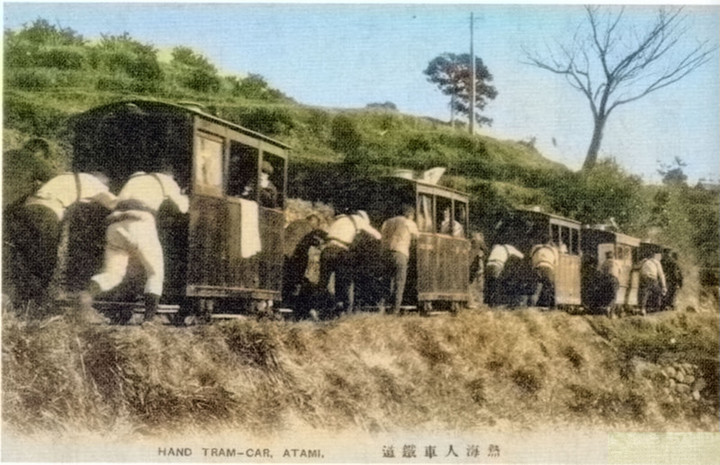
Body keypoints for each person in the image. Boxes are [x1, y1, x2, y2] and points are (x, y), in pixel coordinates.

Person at [81, 171, 189, 325]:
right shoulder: (166, 180)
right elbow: (183, 208)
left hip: (114, 226)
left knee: (113, 274)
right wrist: (183, 196)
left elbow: (114, 203)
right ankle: (149, 320)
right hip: (139, 223)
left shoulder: (133, 181)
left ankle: (87, 293)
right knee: (155, 273)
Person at [9, 172, 116, 304]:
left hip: (25, 210)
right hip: (45, 214)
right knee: (46, 261)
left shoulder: (66, 177)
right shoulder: (96, 184)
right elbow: (116, 204)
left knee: (26, 260)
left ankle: (20, 304)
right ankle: (35, 306)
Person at [318, 210, 381, 317]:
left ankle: (316, 309)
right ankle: (347, 312)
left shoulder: (339, 220)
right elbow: (377, 235)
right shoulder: (359, 220)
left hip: (326, 251)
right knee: (346, 282)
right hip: (340, 251)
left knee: (323, 282)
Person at [283, 214, 327, 317]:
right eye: (316, 225)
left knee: (286, 278)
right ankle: (294, 303)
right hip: (294, 255)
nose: (315, 227)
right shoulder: (308, 228)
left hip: (281, 252)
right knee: (297, 279)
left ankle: (286, 300)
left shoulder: (294, 223)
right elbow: (316, 239)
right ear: (312, 221)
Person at [380, 205, 419, 314]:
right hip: (400, 253)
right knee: (399, 282)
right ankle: (395, 310)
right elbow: (417, 236)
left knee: (386, 281)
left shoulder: (387, 222)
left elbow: (382, 237)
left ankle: (381, 307)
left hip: (386, 253)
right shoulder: (408, 222)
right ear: (409, 214)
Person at [2, 138, 56, 210]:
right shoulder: (36, 160)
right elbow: (56, 181)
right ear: (41, 153)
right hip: (8, 206)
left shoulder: (7, 153)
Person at [529, 241, 559, 308]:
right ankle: (547, 305)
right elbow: (556, 263)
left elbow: (531, 258)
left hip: (537, 268)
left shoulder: (535, 248)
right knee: (550, 286)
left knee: (536, 288)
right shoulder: (553, 250)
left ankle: (532, 306)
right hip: (548, 268)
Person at [598, 250, 622, 317]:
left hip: (606, 280)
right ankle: (610, 311)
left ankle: (607, 310)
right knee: (614, 297)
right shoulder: (616, 262)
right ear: (613, 256)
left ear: (606, 256)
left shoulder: (604, 263)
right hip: (614, 279)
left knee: (607, 295)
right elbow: (620, 271)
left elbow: (600, 272)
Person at [468, 232, 488, 309]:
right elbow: (486, 250)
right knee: (479, 285)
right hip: (476, 265)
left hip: (469, 265)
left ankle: (471, 301)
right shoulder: (479, 242)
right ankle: (478, 302)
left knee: (469, 284)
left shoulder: (470, 243)